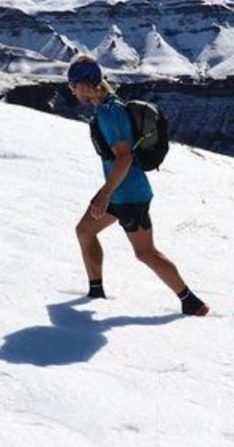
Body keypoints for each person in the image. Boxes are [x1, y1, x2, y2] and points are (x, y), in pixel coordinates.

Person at [68, 55, 209, 316]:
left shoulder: (110, 114)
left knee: (145, 253)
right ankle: (96, 292)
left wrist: (104, 195)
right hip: (121, 193)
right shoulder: (108, 107)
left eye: (73, 84)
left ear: (85, 85)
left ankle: (192, 302)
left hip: (129, 196)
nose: (72, 90)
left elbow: (124, 157)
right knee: (85, 231)